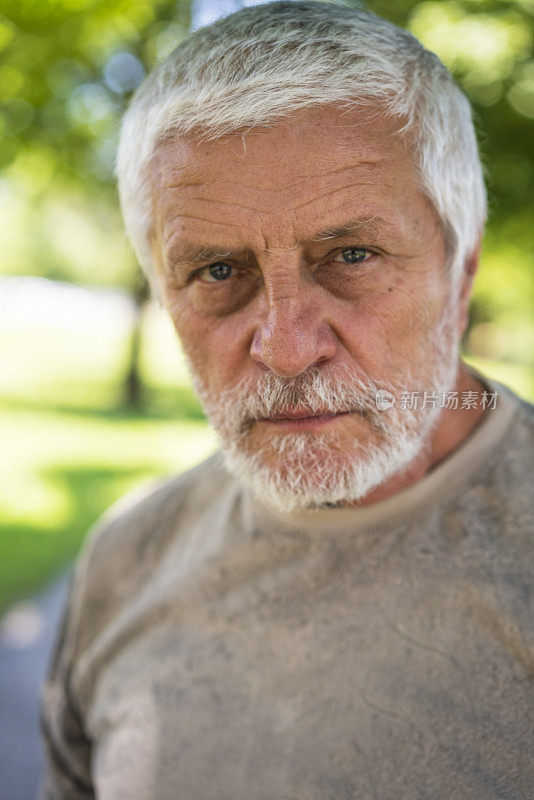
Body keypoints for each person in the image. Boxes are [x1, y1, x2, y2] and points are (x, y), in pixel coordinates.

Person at [40, 2, 534, 798]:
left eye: (351, 254)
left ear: (462, 273)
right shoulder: (124, 560)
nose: (286, 346)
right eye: (219, 273)